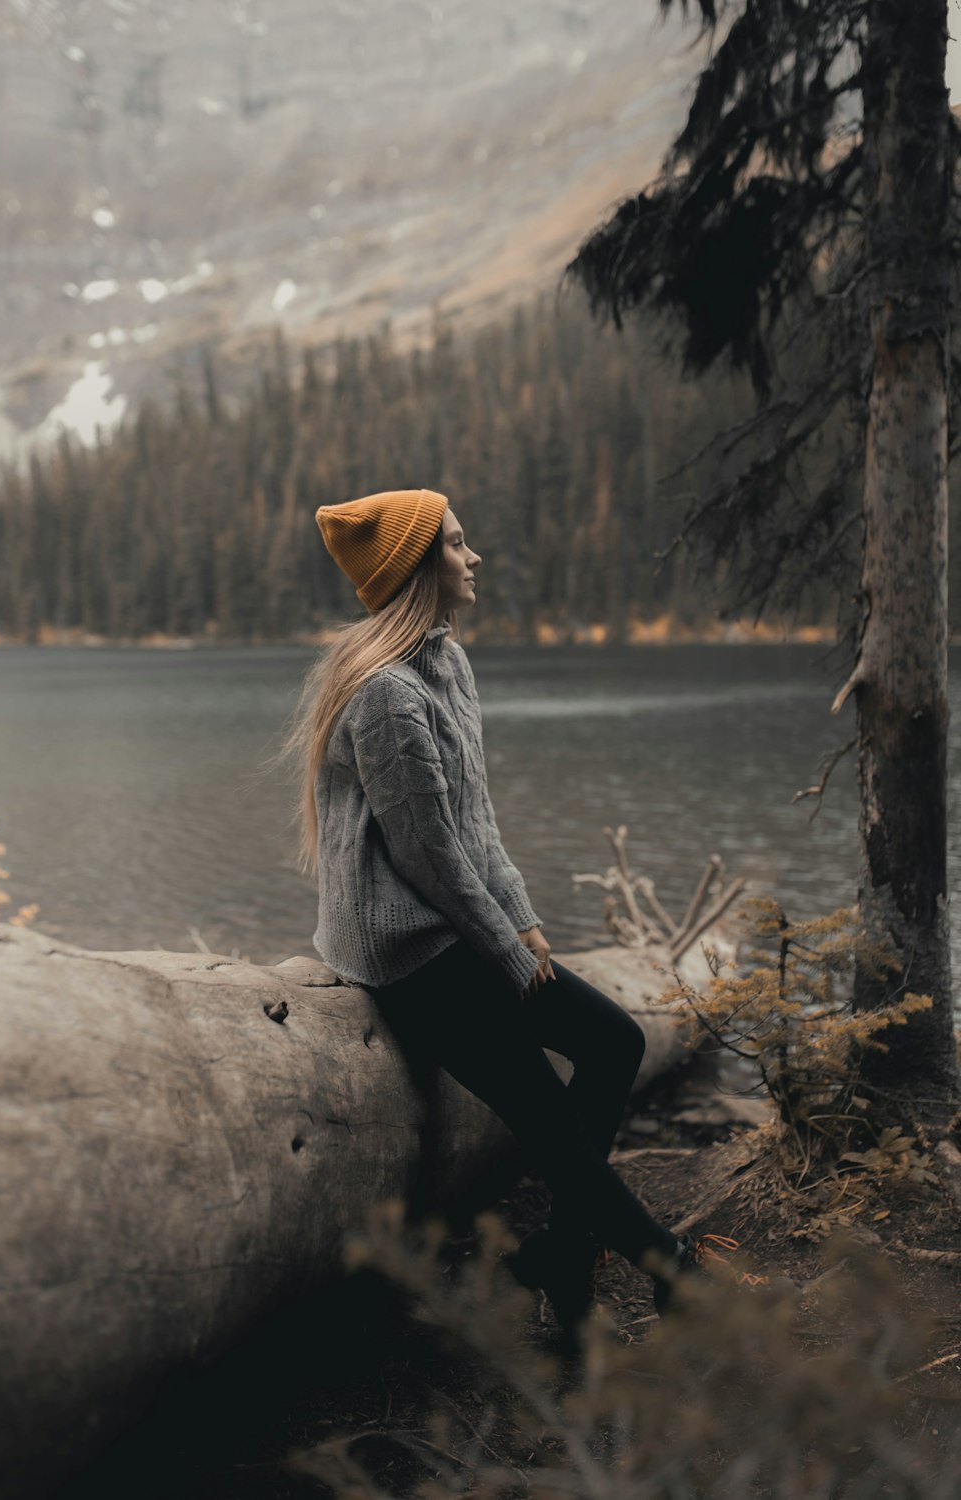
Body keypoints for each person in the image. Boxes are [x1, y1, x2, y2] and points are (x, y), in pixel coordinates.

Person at [281, 486, 706, 1339]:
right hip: (402, 945)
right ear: (416, 566)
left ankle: (561, 1252)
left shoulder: (448, 664)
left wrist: (523, 917)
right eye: (457, 544)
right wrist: (507, 954)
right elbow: (427, 856)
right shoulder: (386, 695)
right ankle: (669, 1271)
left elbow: (476, 823)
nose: (474, 559)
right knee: (543, 1111)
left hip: (453, 919)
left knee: (615, 1040)